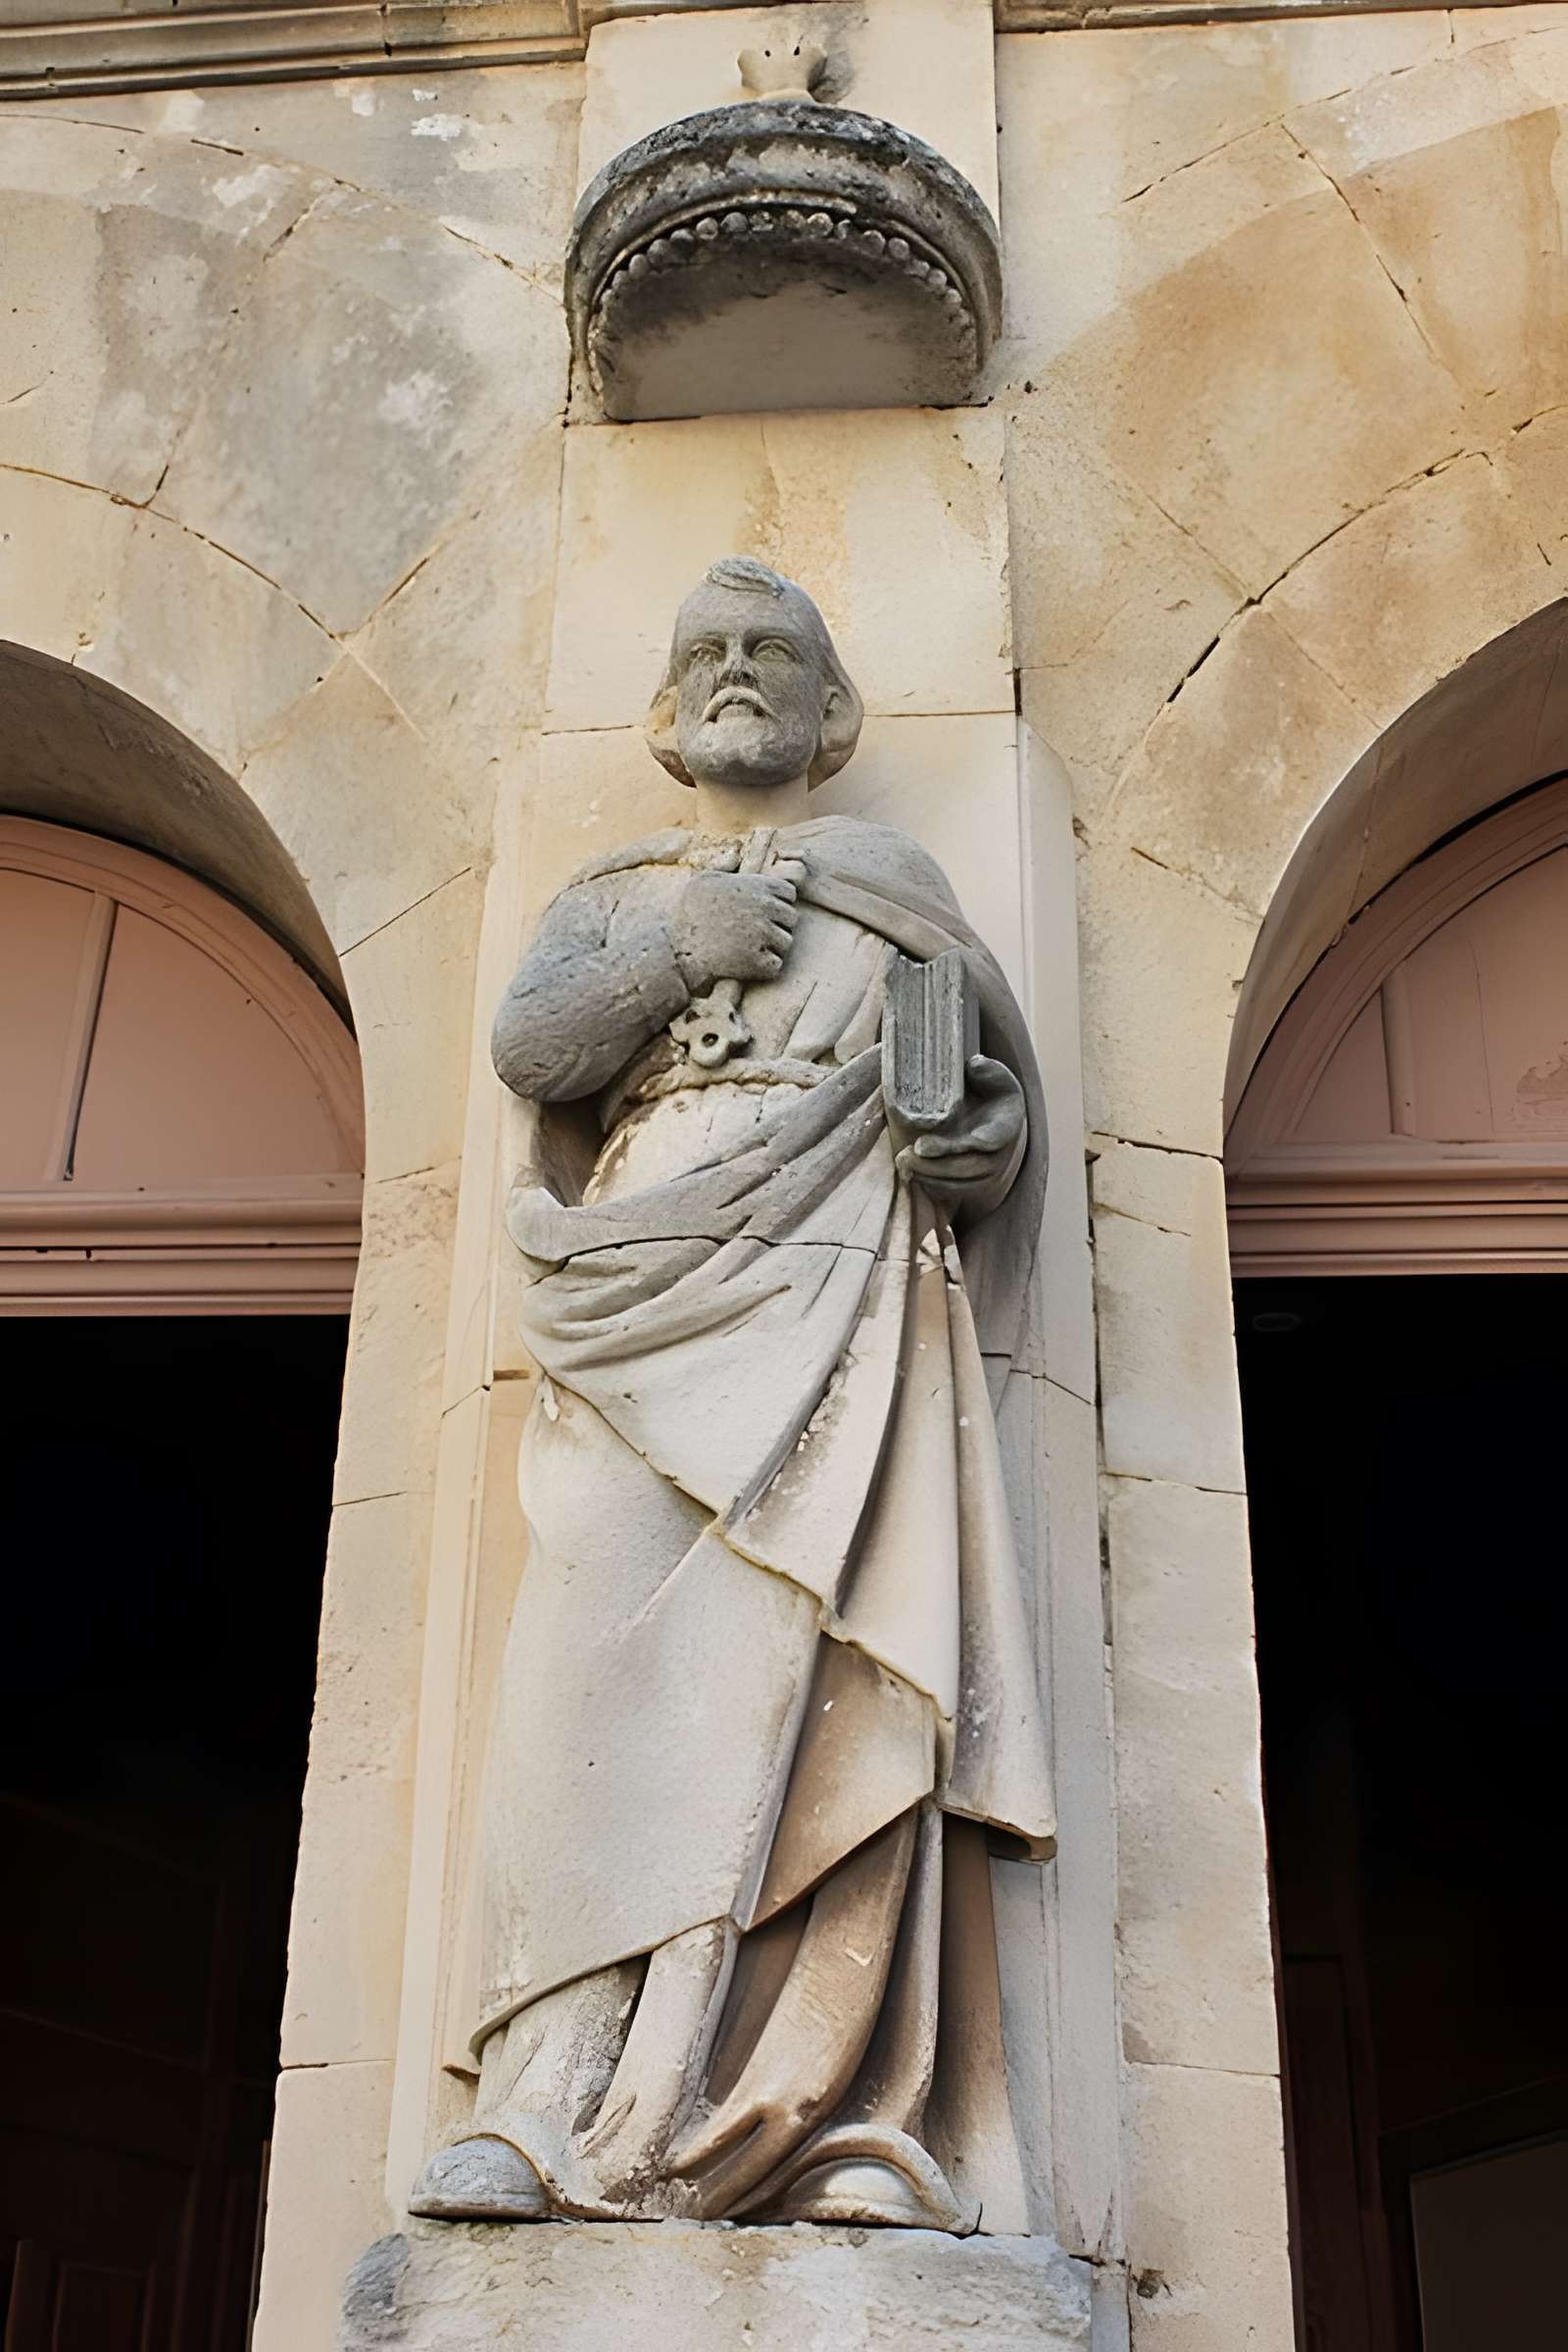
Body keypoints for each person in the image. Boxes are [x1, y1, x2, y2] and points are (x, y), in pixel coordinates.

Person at [410, 557, 1053, 2231]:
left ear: (834, 712)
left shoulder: (893, 884)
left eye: (777, 652)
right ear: (662, 710)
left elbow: (990, 1113)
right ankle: (549, 2100)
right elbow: (537, 1054)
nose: (742, 671)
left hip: (843, 1294)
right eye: (710, 651)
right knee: (584, 1677)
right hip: (641, 1291)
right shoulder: (620, 887)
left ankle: (823, 2107)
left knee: (822, 1671)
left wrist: (977, 1147)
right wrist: (676, 950)